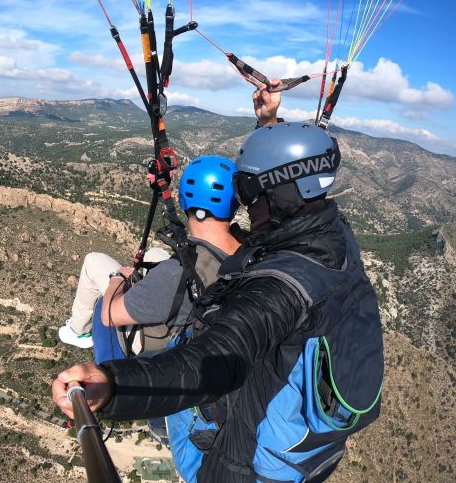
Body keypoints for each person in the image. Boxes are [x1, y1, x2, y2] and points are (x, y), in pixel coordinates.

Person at [52, 82, 385, 483]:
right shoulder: (334, 237)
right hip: (308, 452)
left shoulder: (282, 291)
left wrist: (113, 384)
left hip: (235, 467)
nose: (245, 201)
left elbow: (212, 362)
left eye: (248, 190)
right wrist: (269, 125)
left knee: (179, 351)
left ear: (275, 194)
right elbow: (292, 191)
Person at [57, 155, 243, 366]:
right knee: (154, 253)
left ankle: (78, 331)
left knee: (94, 261)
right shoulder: (243, 247)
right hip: (196, 317)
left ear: (183, 201)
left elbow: (110, 316)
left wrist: (117, 278)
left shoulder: (175, 273)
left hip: (154, 343)